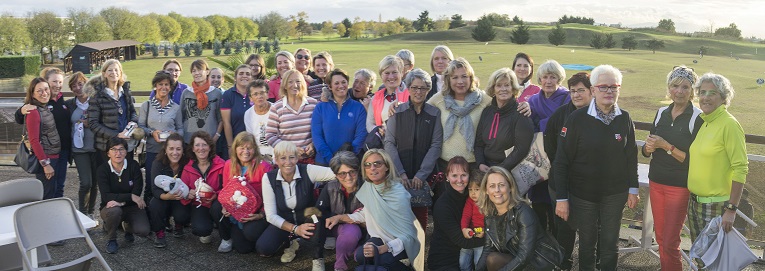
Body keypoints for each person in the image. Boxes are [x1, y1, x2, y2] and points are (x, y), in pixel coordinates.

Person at [553, 65, 639, 271]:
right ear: (593, 91)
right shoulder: (577, 119)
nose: (609, 91)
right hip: (583, 195)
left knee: (610, 244)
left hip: (615, 194)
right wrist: (562, 198)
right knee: (587, 245)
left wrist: (633, 189)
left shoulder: (624, 118)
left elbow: (631, 155)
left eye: (614, 87)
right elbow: (561, 160)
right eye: (603, 87)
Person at [641, 66, 702, 271]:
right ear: (669, 87)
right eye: (675, 86)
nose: (680, 91)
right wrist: (648, 148)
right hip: (656, 181)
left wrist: (666, 146)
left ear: (693, 90)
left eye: (686, 87)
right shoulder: (661, 113)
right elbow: (647, 148)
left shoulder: (697, 117)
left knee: (670, 241)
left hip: (679, 186)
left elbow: (694, 160)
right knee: (660, 238)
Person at [326, 149, 423, 270]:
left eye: (377, 163)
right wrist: (340, 218)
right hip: (380, 238)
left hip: (400, 243)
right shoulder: (369, 187)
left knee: (382, 258)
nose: (372, 168)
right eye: (367, 165)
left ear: (387, 166)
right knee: (361, 256)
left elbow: (408, 235)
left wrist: (384, 248)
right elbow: (366, 213)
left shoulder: (399, 194)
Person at [687, 73, 748, 241]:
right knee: (700, 259)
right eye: (702, 92)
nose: (705, 97)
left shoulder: (729, 124)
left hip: (717, 207)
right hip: (695, 204)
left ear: (723, 97)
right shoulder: (704, 121)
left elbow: (740, 167)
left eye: (712, 93)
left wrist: (731, 210)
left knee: (714, 262)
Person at [543, 72, 594, 270]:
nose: (576, 95)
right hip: (561, 183)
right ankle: (563, 263)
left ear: (592, 91)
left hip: (589, 186)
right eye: (573, 91)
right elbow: (550, 145)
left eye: (581, 90)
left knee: (591, 229)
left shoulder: (599, 114)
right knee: (563, 228)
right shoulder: (561, 114)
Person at [259, 141, 336, 270]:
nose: (288, 162)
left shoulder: (308, 170)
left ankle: (318, 258)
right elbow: (271, 216)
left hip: (308, 218)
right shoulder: (268, 178)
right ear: (276, 160)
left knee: (317, 218)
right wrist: (296, 229)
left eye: (292, 157)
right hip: (286, 222)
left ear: (297, 158)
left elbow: (336, 173)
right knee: (264, 248)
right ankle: (292, 242)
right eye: (283, 158)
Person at [384, 68, 442, 230]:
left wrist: (421, 175)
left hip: (422, 177)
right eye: (415, 87)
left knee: (420, 218)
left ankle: (419, 252)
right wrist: (400, 173)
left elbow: (436, 145)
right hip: (399, 173)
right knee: (399, 217)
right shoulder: (397, 111)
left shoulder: (434, 113)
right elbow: (389, 143)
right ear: (408, 88)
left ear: (428, 90)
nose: (418, 92)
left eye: (423, 88)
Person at [475, 166, 563, 271]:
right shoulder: (490, 215)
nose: (497, 190)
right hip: (516, 260)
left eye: (501, 185)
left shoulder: (523, 212)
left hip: (536, 264)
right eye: (492, 186)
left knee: (493, 259)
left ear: (510, 187)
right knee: (492, 258)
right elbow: (488, 250)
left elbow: (524, 257)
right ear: (486, 190)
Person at [527, 59, 570, 234]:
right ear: (540, 79)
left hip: (559, 157)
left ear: (559, 79)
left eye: (553, 77)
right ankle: (539, 248)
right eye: (545, 77)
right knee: (538, 207)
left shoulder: (567, 97)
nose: (549, 81)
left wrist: (542, 123)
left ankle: (557, 248)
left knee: (557, 208)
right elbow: (529, 125)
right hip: (537, 159)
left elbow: (565, 125)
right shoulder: (533, 100)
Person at [210, 132, 273, 253]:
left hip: (255, 212)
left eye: (249, 148)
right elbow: (225, 189)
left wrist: (261, 214)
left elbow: (271, 196)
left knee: (245, 248)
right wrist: (224, 205)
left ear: (254, 149)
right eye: (242, 148)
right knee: (216, 208)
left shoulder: (264, 167)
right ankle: (226, 237)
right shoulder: (229, 164)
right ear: (235, 149)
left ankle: (260, 233)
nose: (246, 151)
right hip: (235, 209)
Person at [427, 57, 491, 169]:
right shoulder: (440, 99)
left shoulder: (483, 99)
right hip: (446, 165)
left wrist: (523, 105)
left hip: (475, 165)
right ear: (448, 80)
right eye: (455, 77)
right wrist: (399, 105)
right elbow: (419, 108)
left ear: (471, 78)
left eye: (464, 76)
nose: (460, 81)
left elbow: (504, 107)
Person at [17, 68, 72, 199]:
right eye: (54, 81)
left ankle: (56, 216)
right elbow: (33, 138)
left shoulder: (56, 102)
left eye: (60, 82)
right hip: (47, 155)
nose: (57, 85)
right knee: (48, 193)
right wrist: (45, 163)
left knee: (58, 188)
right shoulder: (34, 109)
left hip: (61, 152)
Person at [428, 156, 485, 270]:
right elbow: (461, 240)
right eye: (454, 175)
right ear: (447, 177)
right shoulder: (442, 205)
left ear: (469, 176)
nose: (459, 180)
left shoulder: (472, 197)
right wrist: (489, 239)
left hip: (469, 251)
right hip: (446, 258)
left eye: (463, 175)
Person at [474, 68, 534, 174]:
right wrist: (480, 163)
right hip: (485, 169)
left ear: (513, 88)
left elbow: (521, 150)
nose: (503, 89)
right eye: (499, 85)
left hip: (509, 171)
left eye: (507, 85)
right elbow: (479, 143)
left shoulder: (521, 114)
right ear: (493, 89)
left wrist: (500, 169)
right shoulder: (487, 112)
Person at [97, 137, 150, 254]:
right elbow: (106, 196)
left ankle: (128, 227)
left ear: (126, 152)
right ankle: (112, 239)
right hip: (111, 207)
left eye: (121, 149)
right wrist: (130, 197)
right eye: (114, 149)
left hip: (131, 206)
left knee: (143, 230)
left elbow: (137, 190)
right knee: (114, 211)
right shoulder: (102, 169)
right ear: (108, 153)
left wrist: (122, 201)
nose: (118, 153)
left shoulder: (134, 166)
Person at [139, 71, 184, 203]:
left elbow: (180, 128)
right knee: (150, 183)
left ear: (170, 87)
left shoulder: (176, 108)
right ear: (155, 86)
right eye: (160, 84)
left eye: (166, 84)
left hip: (171, 153)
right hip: (153, 150)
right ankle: (149, 215)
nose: (163, 87)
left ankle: (168, 215)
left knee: (170, 184)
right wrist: (151, 132)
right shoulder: (146, 106)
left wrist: (173, 136)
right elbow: (141, 126)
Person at [316, 151, 365, 271]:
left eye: (352, 172)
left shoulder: (366, 186)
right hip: (341, 228)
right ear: (336, 175)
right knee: (350, 232)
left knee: (360, 255)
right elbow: (319, 211)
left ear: (357, 170)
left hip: (365, 228)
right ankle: (340, 266)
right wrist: (336, 217)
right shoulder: (330, 187)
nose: (348, 177)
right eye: (342, 174)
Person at [86, 59, 138, 169]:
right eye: (110, 70)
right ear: (104, 73)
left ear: (120, 73)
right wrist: (117, 135)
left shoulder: (125, 92)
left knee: (126, 178)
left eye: (116, 70)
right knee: (109, 180)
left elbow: (132, 112)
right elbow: (93, 124)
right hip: (106, 146)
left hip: (126, 145)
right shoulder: (97, 95)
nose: (113, 72)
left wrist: (131, 126)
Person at [312, 68, 368, 166]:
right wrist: (332, 160)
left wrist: (346, 159)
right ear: (330, 86)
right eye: (336, 83)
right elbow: (317, 137)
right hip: (324, 162)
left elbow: (361, 135)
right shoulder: (320, 107)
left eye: (344, 82)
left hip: (350, 163)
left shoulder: (358, 107)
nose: (341, 86)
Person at [180, 131, 226, 244]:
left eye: (204, 145)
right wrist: (188, 193)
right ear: (193, 149)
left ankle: (226, 235)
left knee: (216, 208)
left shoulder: (222, 164)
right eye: (197, 145)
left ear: (210, 147)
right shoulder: (188, 168)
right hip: (199, 204)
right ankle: (207, 225)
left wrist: (217, 194)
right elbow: (182, 190)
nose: (201, 148)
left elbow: (229, 187)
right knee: (201, 230)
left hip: (218, 203)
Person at [265, 69, 319, 164]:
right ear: (285, 85)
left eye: (298, 81)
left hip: (311, 160)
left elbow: (321, 131)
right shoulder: (276, 107)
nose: (295, 85)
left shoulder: (313, 105)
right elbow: (270, 136)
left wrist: (314, 145)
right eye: (290, 82)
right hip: (286, 161)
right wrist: (290, 149)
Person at [148, 133, 190, 248]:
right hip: (164, 197)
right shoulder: (158, 163)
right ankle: (159, 233)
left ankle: (179, 224)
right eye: (171, 148)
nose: (175, 153)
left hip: (180, 197)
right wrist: (166, 197)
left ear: (183, 150)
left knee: (183, 214)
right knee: (154, 204)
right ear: (165, 150)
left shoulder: (187, 163)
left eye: (178, 149)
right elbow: (154, 189)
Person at [66, 72, 98, 215]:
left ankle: (91, 213)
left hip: (96, 148)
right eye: (74, 86)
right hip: (79, 149)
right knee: (86, 183)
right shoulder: (69, 105)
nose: (78, 88)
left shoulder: (96, 101)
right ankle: (82, 213)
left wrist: (90, 123)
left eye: (80, 84)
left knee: (95, 183)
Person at [23, 78, 60, 200]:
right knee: (47, 196)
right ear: (33, 93)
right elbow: (34, 141)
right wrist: (45, 164)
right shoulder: (33, 112)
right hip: (47, 159)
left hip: (53, 155)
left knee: (52, 193)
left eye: (46, 89)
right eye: (39, 91)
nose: (44, 93)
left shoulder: (44, 107)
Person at [180, 60, 223, 147]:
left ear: (207, 72)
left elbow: (221, 118)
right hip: (189, 141)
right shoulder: (186, 93)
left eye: (199, 70)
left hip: (210, 140)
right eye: (193, 71)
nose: (196, 73)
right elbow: (181, 116)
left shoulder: (216, 93)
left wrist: (216, 137)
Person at [366, 55, 409, 132]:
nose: (391, 77)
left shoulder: (411, 94)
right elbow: (369, 124)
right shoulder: (375, 98)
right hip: (383, 142)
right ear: (381, 76)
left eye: (394, 72)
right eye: (387, 73)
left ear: (402, 73)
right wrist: (378, 130)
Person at [222, 64, 253, 157]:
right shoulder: (228, 95)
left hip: (253, 144)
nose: (244, 76)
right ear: (235, 78)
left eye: (248, 74)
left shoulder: (255, 94)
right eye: (241, 73)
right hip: (235, 143)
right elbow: (226, 122)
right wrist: (230, 146)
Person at [459, 170, 486, 271]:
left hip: (482, 238)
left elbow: (492, 221)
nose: (473, 193)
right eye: (470, 189)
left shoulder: (488, 202)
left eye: (477, 189)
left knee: (478, 262)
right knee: (463, 263)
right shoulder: (470, 201)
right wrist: (464, 229)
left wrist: (485, 231)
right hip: (470, 235)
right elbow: (466, 216)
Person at [244, 80, 275, 160]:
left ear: (267, 95)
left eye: (262, 93)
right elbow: (251, 139)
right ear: (250, 98)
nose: (259, 96)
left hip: (277, 152)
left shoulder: (276, 110)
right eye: (255, 94)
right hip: (259, 156)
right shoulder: (248, 114)